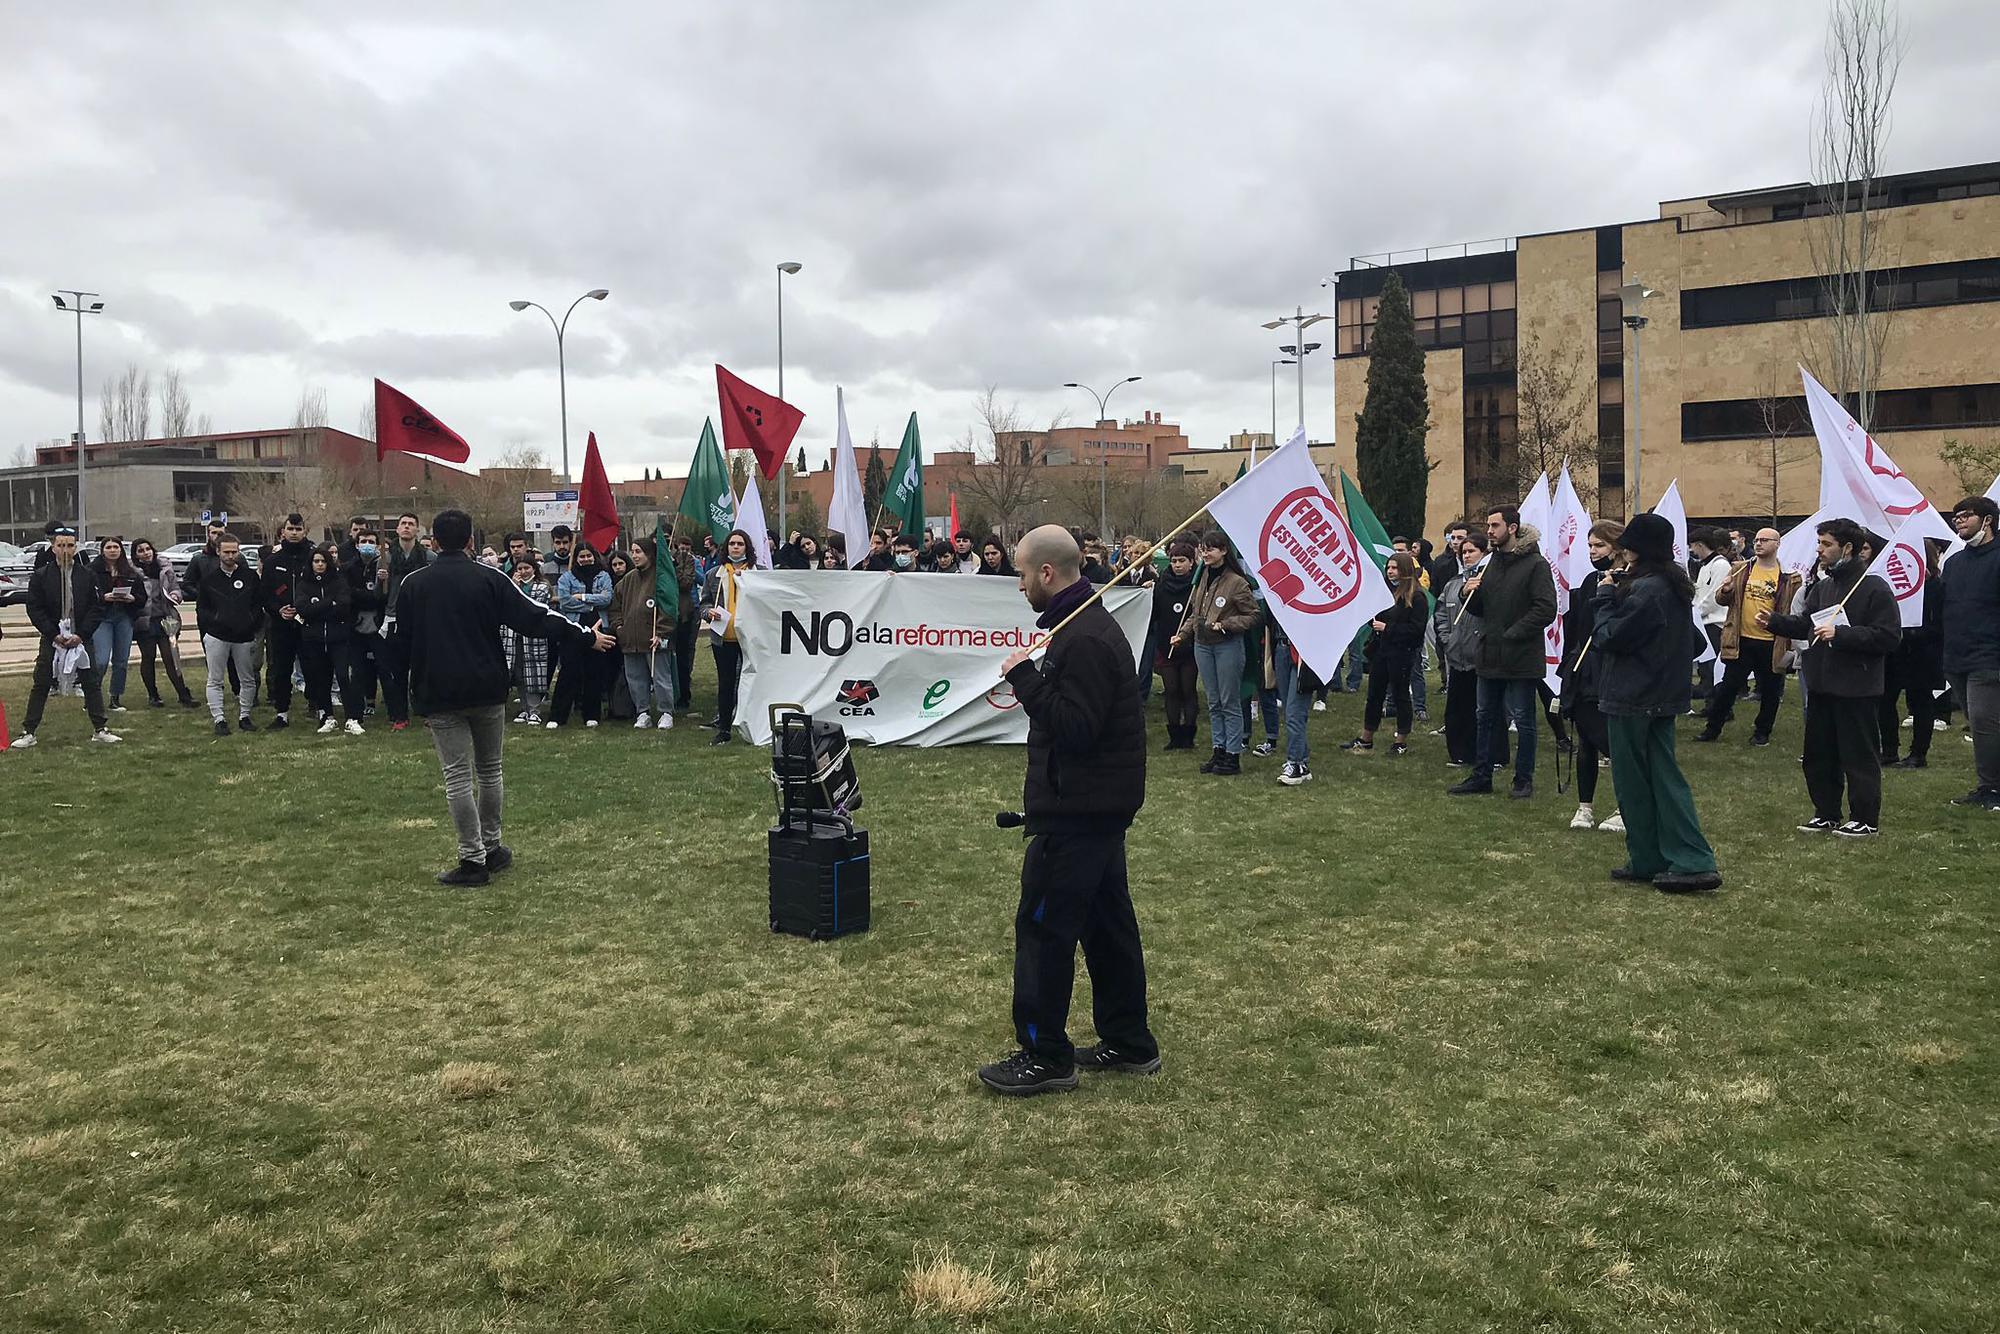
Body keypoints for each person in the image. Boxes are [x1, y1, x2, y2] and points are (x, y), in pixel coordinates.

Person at [980, 524, 1156, 1096]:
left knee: (1043, 928)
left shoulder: (1081, 637)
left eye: (1023, 574)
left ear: (1047, 574)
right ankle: (1129, 1041)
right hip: (1097, 804)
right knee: (1107, 926)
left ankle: (1044, 1053)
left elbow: (1077, 728)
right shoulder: (1082, 627)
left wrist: (1024, 678)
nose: (1019, 584)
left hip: (1078, 809)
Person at [397, 509, 616, 886]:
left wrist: (407, 691)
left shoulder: (414, 584)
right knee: (489, 770)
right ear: (470, 542)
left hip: (440, 690)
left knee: (457, 778)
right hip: (487, 687)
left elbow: (403, 642)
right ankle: (491, 847)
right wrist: (584, 635)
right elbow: (537, 617)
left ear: (432, 540)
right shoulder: (490, 579)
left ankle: (473, 858)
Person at [1592, 513, 1722, 892]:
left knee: (1648, 781)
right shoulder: (1670, 585)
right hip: (1658, 694)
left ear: (1637, 550)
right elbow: (1695, 643)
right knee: (1650, 778)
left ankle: (1691, 859)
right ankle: (1648, 857)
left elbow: (1610, 636)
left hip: (1635, 695)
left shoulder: (1648, 590)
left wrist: (1603, 599)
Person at [1762, 517, 1902, 837]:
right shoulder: (1823, 586)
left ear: (1848, 548)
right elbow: (1805, 625)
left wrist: (1842, 634)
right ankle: (1826, 812)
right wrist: (1775, 622)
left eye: (1827, 544)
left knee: (1858, 755)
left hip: (1856, 686)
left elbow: (1889, 636)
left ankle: (1865, 818)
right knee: (1819, 754)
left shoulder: (1873, 587)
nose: (1820, 550)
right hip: (1822, 684)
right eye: (1819, 543)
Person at [1450, 506, 1557, 799]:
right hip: (1490, 654)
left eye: (1494, 525)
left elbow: (1546, 608)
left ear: (1511, 528)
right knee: (1484, 715)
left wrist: (1513, 633)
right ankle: (1481, 774)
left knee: (1523, 718)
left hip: (1520, 656)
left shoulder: (1536, 565)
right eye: (1488, 525)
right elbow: (1481, 608)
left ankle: (1523, 779)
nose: (1489, 531)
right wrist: (1466, 594)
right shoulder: (1492, 563)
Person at [12, 524, 120, 748]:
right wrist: (52, 634)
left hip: (81, 637)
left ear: (76, 548)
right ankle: (28, 731)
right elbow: (35, 608)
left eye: (70, 546)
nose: (65, 550)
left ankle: (100, 728)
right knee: (41, 682)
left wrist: (82, 634)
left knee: (91, 683)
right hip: (52, 637)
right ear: (53, 548)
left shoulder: (87, 575)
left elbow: (95, 607)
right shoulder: (41, 576)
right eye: (61, 545)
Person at [1696, 527, 1797, 747]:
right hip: (1742, 639)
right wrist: (1726, 591)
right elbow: (1722, 601)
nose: (1759, 543)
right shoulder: (1741, 569)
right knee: (1728, 687)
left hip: (1772, 641)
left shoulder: (1788, 576)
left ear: (1777, 544)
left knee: (1770, 691)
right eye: (1757, 540)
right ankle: (1712, 727)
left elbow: (1794, 609)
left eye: (1765, 540)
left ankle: (1762, 732)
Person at [1177, 531, 1260, 776]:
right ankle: (1219, 749)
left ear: (1223, 551)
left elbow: (1253, 615)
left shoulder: (1236, 581)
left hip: (1227, 646)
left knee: (1229, 701)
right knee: (1213, 702)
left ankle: (1233, 754)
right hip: (1203, 645)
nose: (1206, 553)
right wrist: (1183, 634)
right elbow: (1196, 612)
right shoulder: (1201, 576)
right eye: (1203, 549)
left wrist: (1227, 625)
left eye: (1211, 549)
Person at [1559, 521, 1624, 832]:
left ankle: (1628, 805)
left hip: (1614, 671)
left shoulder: (1629, 582)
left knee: (1613, 740)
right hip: (1584, 669)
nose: (1593, 552)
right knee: (1586, 737)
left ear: (1617, 548)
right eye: (1590, 546)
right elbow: (1581, 627)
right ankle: (1584, 807)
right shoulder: (1589, 581)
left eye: (1599, 546)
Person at [1940, 496, 2000, 809]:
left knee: (1984, 724)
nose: (1959, 521)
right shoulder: (1953, 563)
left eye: (1966, 516)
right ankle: (1988, 786)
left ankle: (1991, 789)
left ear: (1987, 520)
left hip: (1989, 658)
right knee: (1981, 726)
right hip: (1957, 657)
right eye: (1956, 517)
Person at [1341, 552, 1428, 756]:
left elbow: (1416, 629)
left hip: (1402, 653)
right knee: (1374, 695)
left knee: (1400, 695)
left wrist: (1388, 628)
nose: (1390, 571)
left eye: (1395, 568)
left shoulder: (1417, 596)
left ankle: (1401, 740)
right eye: (1389, 567)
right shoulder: (1385, 593)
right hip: (1382, 651)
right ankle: (1366, 737)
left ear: (1405, 569)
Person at [1880, 539, 1946, 769]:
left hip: (1922, 653)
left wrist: (1915, 632)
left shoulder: (1937, 587)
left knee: (1920, 703)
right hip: (1895, 652)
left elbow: (1939, 624)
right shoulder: (1893, 586)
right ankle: (1889, 749)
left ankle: (1918, 753)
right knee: (1885, 700)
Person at [192, 532, 265, 736]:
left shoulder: (249, 577)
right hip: (217, 636)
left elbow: (258, 605)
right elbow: (202, 608)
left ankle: (245, 716)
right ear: (218, 552)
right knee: (215, 679)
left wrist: (251, 623)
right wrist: (215, 622)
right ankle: (219, 719)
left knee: (247, 679)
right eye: (226, 552)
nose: (231, 555)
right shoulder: (209, 579)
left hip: (243, 636)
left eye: (234, 551)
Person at [1435, 533, 1493, 768]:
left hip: (1481, 656)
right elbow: (1441, 613)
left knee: (1483, 710)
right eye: (1464, 552)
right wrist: (1447, 639)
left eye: (1472, 551)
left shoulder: (1490, 581)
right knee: (1456, 709)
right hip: (1456, 655)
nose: (1467, 555)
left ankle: (1490, 754)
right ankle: (1459, 753)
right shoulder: (1453, 583)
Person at [609, 537, 677, 729]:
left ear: (649, 554)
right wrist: (619, 628)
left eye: (639, 552)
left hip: (654, 637)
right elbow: (615, 606)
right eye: (633, 551)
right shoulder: (628, 579)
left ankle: (666, 712)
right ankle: (642, 712)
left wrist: (662, 632)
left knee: (661, 676)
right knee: (636, 678)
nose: (635, 556)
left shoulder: (661, 578)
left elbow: (669, 607)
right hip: (631, 639)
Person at [296, 543, 364, 734]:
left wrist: (318, 607)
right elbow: (303, 609)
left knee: (344, 677)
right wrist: (328, 604)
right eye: (316, 561)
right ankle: (327, 716)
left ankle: (352, 717)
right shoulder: (304, 585)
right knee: (321, 679)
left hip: (338, 638)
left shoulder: (339, 582)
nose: (319, 564)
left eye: (323, 561)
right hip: (314, 639)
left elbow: (343, 606)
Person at [700, 528, 759, 744]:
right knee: (726, 684)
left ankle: (752, 725)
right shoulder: (713, 574)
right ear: (727, 547)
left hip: (751, 639)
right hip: (723, 638)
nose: (736, 547)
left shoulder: (758, 573)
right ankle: (724, 729)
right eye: (732, 543)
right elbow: (703, 602)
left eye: (740, 544)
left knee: (751, 682)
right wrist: (708, 613)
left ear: (747, 548)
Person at [547, 541, 613, 728]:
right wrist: (593, 602)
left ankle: (592, 714)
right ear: (576, 558)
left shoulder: (604, 576)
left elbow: (607, 598)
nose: (585, 559)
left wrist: (583, 598)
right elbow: (565, 602)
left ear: (594, 556)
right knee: (569, 671)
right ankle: (557, 716)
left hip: (598, 627)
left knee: (594, 672)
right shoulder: (566, 578)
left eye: (588, 556)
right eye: (581, 556)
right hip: (573, 628)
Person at [258, 512, 315, 731]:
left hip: (308, 624)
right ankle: (282, 712)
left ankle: (318, 707)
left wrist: (309, 609)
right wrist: (278, 609)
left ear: (304, 531)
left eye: (298, 529)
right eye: (290, 529)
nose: (294, 533)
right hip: (281, 626)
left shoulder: (313, 557)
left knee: (313, 667)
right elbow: (265, 594)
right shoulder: (273, 561)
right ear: (283, 531)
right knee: (281, 669)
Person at [378, 512, 432, 732]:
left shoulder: (429, 558)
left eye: (411, 524)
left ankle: (427, 711)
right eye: (403, 524)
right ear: (397, 529)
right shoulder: (386, 558)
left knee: (424, 670)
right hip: (393, 617)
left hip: (422, 618)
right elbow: (378, 595)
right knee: (396, 671)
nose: (407, 527)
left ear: (417, 529)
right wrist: (380, 579)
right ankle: (399, 715)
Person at [130, 538, 197, 708]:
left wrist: (176, 595)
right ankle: (153, 695)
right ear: (136, 554)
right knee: (148, 657)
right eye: (141, 550)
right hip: (145, 620)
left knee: (171, 656)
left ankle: (183, 694)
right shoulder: (133, 572)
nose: (146, 553)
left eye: (148, 549)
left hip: (166, 617)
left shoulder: (165, 568)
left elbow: (175, 587)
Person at [1150, 540, 1200, 751]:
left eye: (1182, 561)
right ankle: (1174, 733)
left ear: (1191, 563)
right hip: (1166, 646)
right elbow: (1154, 614)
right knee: (1171, 690)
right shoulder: (1161, 585)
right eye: (1173, 561)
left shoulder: (1197, 586)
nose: (1177, 565)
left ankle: (1189, 734)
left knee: (1187, 689)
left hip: (1189, 647)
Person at [88, 536, 146, 712]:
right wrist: (103, 597)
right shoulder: (91, 571)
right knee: (101, 660)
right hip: (103, 617)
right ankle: (93, 696)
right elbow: (85, 596)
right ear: (102, 550)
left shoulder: (130, 572)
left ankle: (115, 697)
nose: (112, 550)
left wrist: (132, 598)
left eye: (116, 547)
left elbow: (142, 597)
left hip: (124, 617)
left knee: (121, 660)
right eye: (109, 547)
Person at [501, 557, 553, 723]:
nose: (523, 572)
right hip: (514, 636)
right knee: (519, 674)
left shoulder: (542, 586)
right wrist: (514, 587)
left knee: (534, 673)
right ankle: (525, 708)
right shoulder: (511, 585)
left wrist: (516, 591)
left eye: (527, 568)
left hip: (533, 636)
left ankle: (534, 709)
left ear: (534, 569)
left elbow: (532, 606)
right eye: (520, 569)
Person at [342, 526, 385, 716]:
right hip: (355, 624)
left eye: (371, 542)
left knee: (383, 667)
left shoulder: (383, 567)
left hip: (378, 623)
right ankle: (356, 710)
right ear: (357, 545)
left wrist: (371, 595)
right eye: (363, 542)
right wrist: (367, 596)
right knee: (357, 670)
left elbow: (383, 596)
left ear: (377, 546)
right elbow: (347, 594)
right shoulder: (348, 568)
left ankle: (391, 709)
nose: (367, 545)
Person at [1689, 527, 1732, 698]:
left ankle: (1717, 702)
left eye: (1693, 546)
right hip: (1704, 621)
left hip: (1715, 622)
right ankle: (1710, 700)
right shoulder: (1706, 566)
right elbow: (1699, 593)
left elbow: (1715, 594)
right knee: (1706, 666)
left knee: (1713, 666)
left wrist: (1697, 612)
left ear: (1700, 545)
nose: (1692, 551)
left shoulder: (1721, 565)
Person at [665, 532, 700, 714]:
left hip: (683, 613)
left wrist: (673, 570)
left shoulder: (687, 559)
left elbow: (686, 583)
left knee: (683, 657)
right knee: (665, 657)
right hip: (664, 614)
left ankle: (683, 696)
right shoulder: (661, 558)